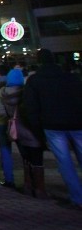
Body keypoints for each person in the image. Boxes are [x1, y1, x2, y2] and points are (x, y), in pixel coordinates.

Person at [24, 48, 82, 209]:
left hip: (52, 125)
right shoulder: (72, 78)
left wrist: (37, 129)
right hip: (77, 122)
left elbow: (32, 108)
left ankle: (77, 197)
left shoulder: (35, 81)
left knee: (65, 162)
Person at [1, 68, 47, 198]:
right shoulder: (27, 92)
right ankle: (39, 189)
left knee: (26, 158)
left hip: (17, 131)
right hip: (31, 129)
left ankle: (28, 185)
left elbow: (1, 113)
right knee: (37, 159)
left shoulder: (4, 94)